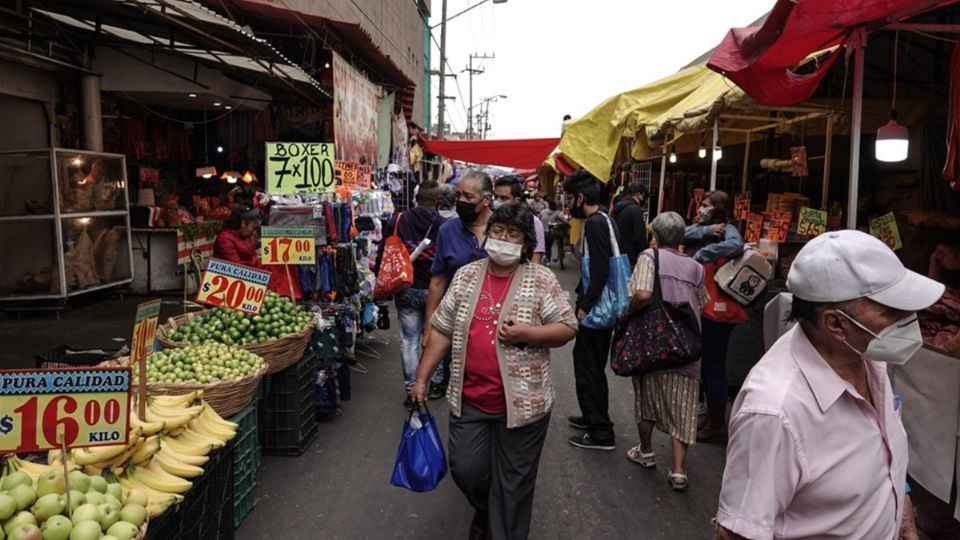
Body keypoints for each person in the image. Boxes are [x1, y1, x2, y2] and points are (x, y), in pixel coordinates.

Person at [714, 230, 942, 540]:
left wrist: (902, 518)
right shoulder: (773, 412)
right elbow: (736, 533)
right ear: (836, 323)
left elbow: (882, 450)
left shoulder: (869, 356)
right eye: (891, 311)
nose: (909, 319)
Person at [411, 203, 577, 540]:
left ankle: (499, 528)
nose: (503, 238)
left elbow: (567, 326)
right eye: (498, 231)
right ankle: (486, 509)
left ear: (525, 243)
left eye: (513, 234)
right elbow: (442, 329)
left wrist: (527, 334)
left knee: (514, 483)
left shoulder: (540, 278)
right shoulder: (468, 275)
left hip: (524, 404)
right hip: (470, 399)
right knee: (466, 469)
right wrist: (422, 378)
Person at [624, 212, 706, 492]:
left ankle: (646, 452)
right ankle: (679, 471)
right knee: (683, 405)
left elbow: (643, 294)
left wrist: (628, 312)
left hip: (654, 341)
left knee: (647, 395)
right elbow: (702, 303)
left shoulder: (650, 257)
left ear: (655, 236)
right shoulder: (695, 267)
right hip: (686, 344)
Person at [423, 170, 495, 396]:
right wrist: (429, 325)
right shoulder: (448, 230)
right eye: (458, 195)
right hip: (458, 320)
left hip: (495, 320)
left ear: (486, 200)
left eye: (468, 197)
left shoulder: (503, 229)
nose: (461, 201)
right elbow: (438, 281)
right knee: (461, 382)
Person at [564, 170, 621, 450]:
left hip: (597, 308)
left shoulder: (596, 224)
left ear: (581, 197)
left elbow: (599, 269)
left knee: (589, 367)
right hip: (601, 305)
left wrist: (584, 307)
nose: (568, 204)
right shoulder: (604, 220)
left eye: (570, 198)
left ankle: (601, 431)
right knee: (588, 363)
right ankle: (591, 416)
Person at [681, 190, 745, 441]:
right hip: (704, 304)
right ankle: (712, 417)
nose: (701, 209)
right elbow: (680, 233)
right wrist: (704, 232)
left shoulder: (728, 229)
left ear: (718, 208)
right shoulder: (704, 227)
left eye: (706, 206)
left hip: (718, 308)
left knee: (714, 364)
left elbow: (735, 245)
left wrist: (702, 254)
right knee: (707, 363)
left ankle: (718, 423)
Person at [394, 181, 445, 406]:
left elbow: (388, 251)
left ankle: (410, 389)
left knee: (408, 341)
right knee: (437, 336)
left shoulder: (400, 220)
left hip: (406, 286)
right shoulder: (445, 225)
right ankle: (434, 382)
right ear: (437, 202)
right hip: (437, 287)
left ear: (416, 199)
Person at [493, 176, 546, 265]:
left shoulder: (534, 223)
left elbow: (536, 260)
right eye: (495, 197)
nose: (497, 201)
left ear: (517, 200)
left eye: (503, 198)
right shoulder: (491, 219)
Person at [611, 183, 650, 268]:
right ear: (638, 194)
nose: (645, 200)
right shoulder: (636, 211)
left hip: (616, 255)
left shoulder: (616, 208)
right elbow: (639, 238)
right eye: (644, 196)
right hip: (630, 259)